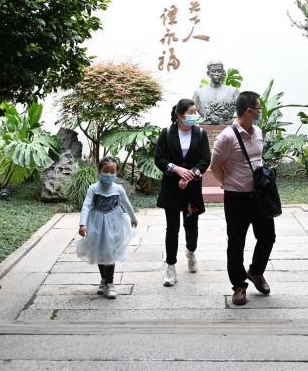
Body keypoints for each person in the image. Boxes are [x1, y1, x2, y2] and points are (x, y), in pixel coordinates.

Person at [209, 90, 275, 306]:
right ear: (248, 111)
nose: (260, 111)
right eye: (258, 108)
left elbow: (257, 160)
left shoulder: (258, 131)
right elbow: (215, 166)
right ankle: (239, 286)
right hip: (236, 198)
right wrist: (227, 183)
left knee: (268, 236)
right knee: (236, 243)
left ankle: (256, 271)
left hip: (259, 196)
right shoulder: (226, 137)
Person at [154, 98, 211, 286]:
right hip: (172, 189)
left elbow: (205, 160)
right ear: (180, 115)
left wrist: (191, 174)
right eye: (191, 112)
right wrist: (176, 169)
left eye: (196, 112)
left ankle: (191, 252)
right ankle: (170, 266)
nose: (195, 115)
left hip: (191, 190)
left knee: (191, 227)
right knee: (172, 228)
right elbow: (159, 158)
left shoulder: (200, 133)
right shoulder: (166, 133)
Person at [76, 156, 139, 299]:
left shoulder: (118, 189)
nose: (108, 174)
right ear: (99, 171)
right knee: (99, 252)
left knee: (110, 252)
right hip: (97, 222)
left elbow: (126, 204)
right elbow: (86, 205)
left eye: (112, 172)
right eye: (105, 171)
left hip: (114, 223)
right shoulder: (93, 188)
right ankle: (104, 280)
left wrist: (133, 218)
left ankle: (110, 284)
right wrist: (82, 224)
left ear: (116, 172)